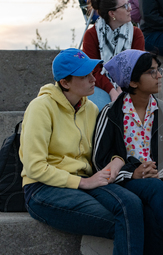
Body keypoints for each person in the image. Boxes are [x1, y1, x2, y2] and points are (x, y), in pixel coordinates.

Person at [19, 48, 145, 255]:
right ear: (65, 83)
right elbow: (34, 167)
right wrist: (83, 182)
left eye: (92, 73)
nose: (92, 79)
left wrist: (116, 160)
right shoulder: (40, 107)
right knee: (127, 223)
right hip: (43, 188)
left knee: (132, 205)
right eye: (84, 75)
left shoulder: (91, 108)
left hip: (86, 182)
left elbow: (108, 148)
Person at [93, 49, 163, 255]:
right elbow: (98, 160)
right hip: (127, 185)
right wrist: (133, 173)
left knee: (151, 211)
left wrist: (160, 173)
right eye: (151, 72)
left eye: (159, 70)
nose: (159, 76)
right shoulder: (111, 113)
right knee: (153, 190)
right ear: (132, 82)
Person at [83, 0, 145, 110]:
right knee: (102, 109)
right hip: (100, 85)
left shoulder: (136, 34)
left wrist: (120, 89)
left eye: (129, 4)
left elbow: (137, 68)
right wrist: (112, 91)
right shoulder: (91, 35)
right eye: (125, 6)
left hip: (130, 85)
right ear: (112, 14)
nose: (130, 8)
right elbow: (94, 71)